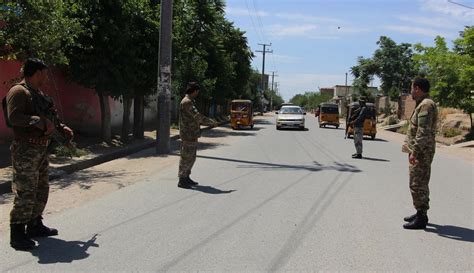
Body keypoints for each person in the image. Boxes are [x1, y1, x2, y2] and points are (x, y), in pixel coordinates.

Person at [6, 58, 74, 250]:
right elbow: (14, 117)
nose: (46, 77)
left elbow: (50, 117)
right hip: (25, 150)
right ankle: (17, 233)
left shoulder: (38, 93)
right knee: (25, 190)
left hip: (41, 149)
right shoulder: (18, 91)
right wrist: (38, 122)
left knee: (41, 189)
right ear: (36, 73)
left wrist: (62, 128)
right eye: (44, 74)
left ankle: (34, 224)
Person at [402, 77, 438, 230]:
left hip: (422, 152)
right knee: (419, 182)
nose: (411, 91)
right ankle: (420, 212)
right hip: (421, 150)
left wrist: (414, 153)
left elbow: (422, 133)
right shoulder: (423, 104)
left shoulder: (426, 105)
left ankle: (421, 217)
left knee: (417, 184)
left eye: (412, 88)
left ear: (417, 88)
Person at [178, 82, 217, 189]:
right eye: (197, 91)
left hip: (191, 133)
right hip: (188, 134)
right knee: (186, 157)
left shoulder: (189, 101)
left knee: (191, 157)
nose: (197, 94)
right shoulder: (187, 102)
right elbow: (197, 116)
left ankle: (186, 177)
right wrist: (211, 122)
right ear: (194, 91)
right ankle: (182, 179)